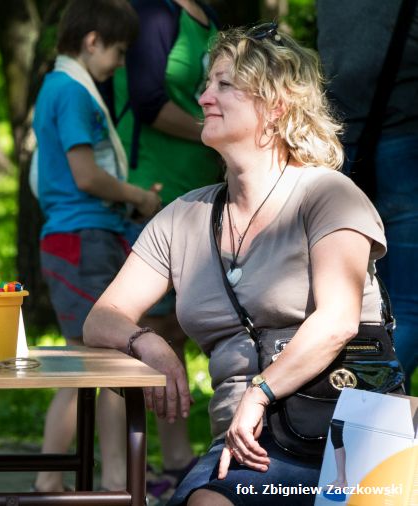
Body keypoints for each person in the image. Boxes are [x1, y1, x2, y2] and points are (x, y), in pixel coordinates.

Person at [84, 24, 387, 506]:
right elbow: (101, 318)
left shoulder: (327, 194)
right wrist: (151, 343)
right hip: (245, 447)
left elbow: (338, 321)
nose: (204, 97)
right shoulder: (184, 217)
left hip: (349, 440)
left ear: (277, 104)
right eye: (207, 84)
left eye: (225, 84)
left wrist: (260, 392)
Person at [29, 0, 161, 493]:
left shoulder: (57, 86)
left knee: (96, 362)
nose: (121, 64)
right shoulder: (72, 92)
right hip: (84, 239)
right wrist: (138, 197)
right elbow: (85, 175)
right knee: (100, 361)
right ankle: (99, 482)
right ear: (92, 41)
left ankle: (105, 480)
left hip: (83, 238)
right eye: (119, 51)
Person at [112, 0, 222, 495]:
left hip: (199, 191)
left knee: (176, 326)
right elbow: (148, 100)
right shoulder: (156, 13)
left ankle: (177, 457)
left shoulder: (209, 16)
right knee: (149, 326)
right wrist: (216, 131)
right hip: (154, 191)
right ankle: (128, 469)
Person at [317, 0, 418, 384]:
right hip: (404, 146)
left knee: (359, 306)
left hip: (342, 148)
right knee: (409, 307)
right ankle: (357, 399)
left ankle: (345, 397)